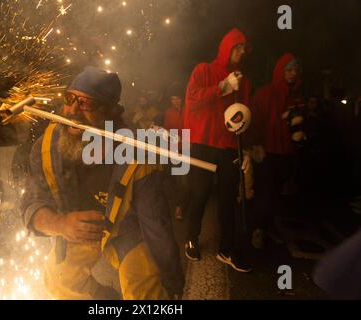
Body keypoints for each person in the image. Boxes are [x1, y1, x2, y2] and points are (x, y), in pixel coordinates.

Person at [21, 66, 184, 300]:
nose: (73, 110)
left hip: (126, 232)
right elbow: (32, 201)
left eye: (87, 104)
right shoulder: (46, 146)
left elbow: (155, 224)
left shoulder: (138, 154)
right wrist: (60, 224)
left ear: (111, 112)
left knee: (142, 288)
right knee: (58, 280)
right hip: (80, 227)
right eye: (70, 99)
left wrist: (173, 279)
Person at [182, 28, 252, 272]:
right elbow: (192, 100)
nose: (241, 52)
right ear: (226, 48)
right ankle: (191, 237)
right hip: (202, 143)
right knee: (199, 194)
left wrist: (246, 150)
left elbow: (244, 115)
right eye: (237, 47)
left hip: (228, 146)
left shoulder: (244, 81)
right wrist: (222, 86)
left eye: (244, 49)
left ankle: (226, 248)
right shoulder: (204, 70)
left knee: (227, 199)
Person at [250, 53, 305, 248]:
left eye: (295, 70)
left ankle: (267, 227)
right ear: (280, 71)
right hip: (267, 153)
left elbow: (297, 125)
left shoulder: (297, 96)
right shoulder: (265, 94)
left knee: (275, 195)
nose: (292, 73)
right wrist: (256, 144)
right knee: (264, 193)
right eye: (288, 70)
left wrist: (299, 137)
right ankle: (257, 229)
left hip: (286, 153)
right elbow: (255, 122)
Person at [163, 83, 187, 220]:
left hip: (187, 149)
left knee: (184, 180)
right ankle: (178, 204)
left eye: (177, 98)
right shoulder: (169, 112)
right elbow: (167, 129)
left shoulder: (189, 110)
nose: (175, 101)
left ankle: (181, 206)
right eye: (173, 99)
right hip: (173, 149)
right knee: (174, 179)